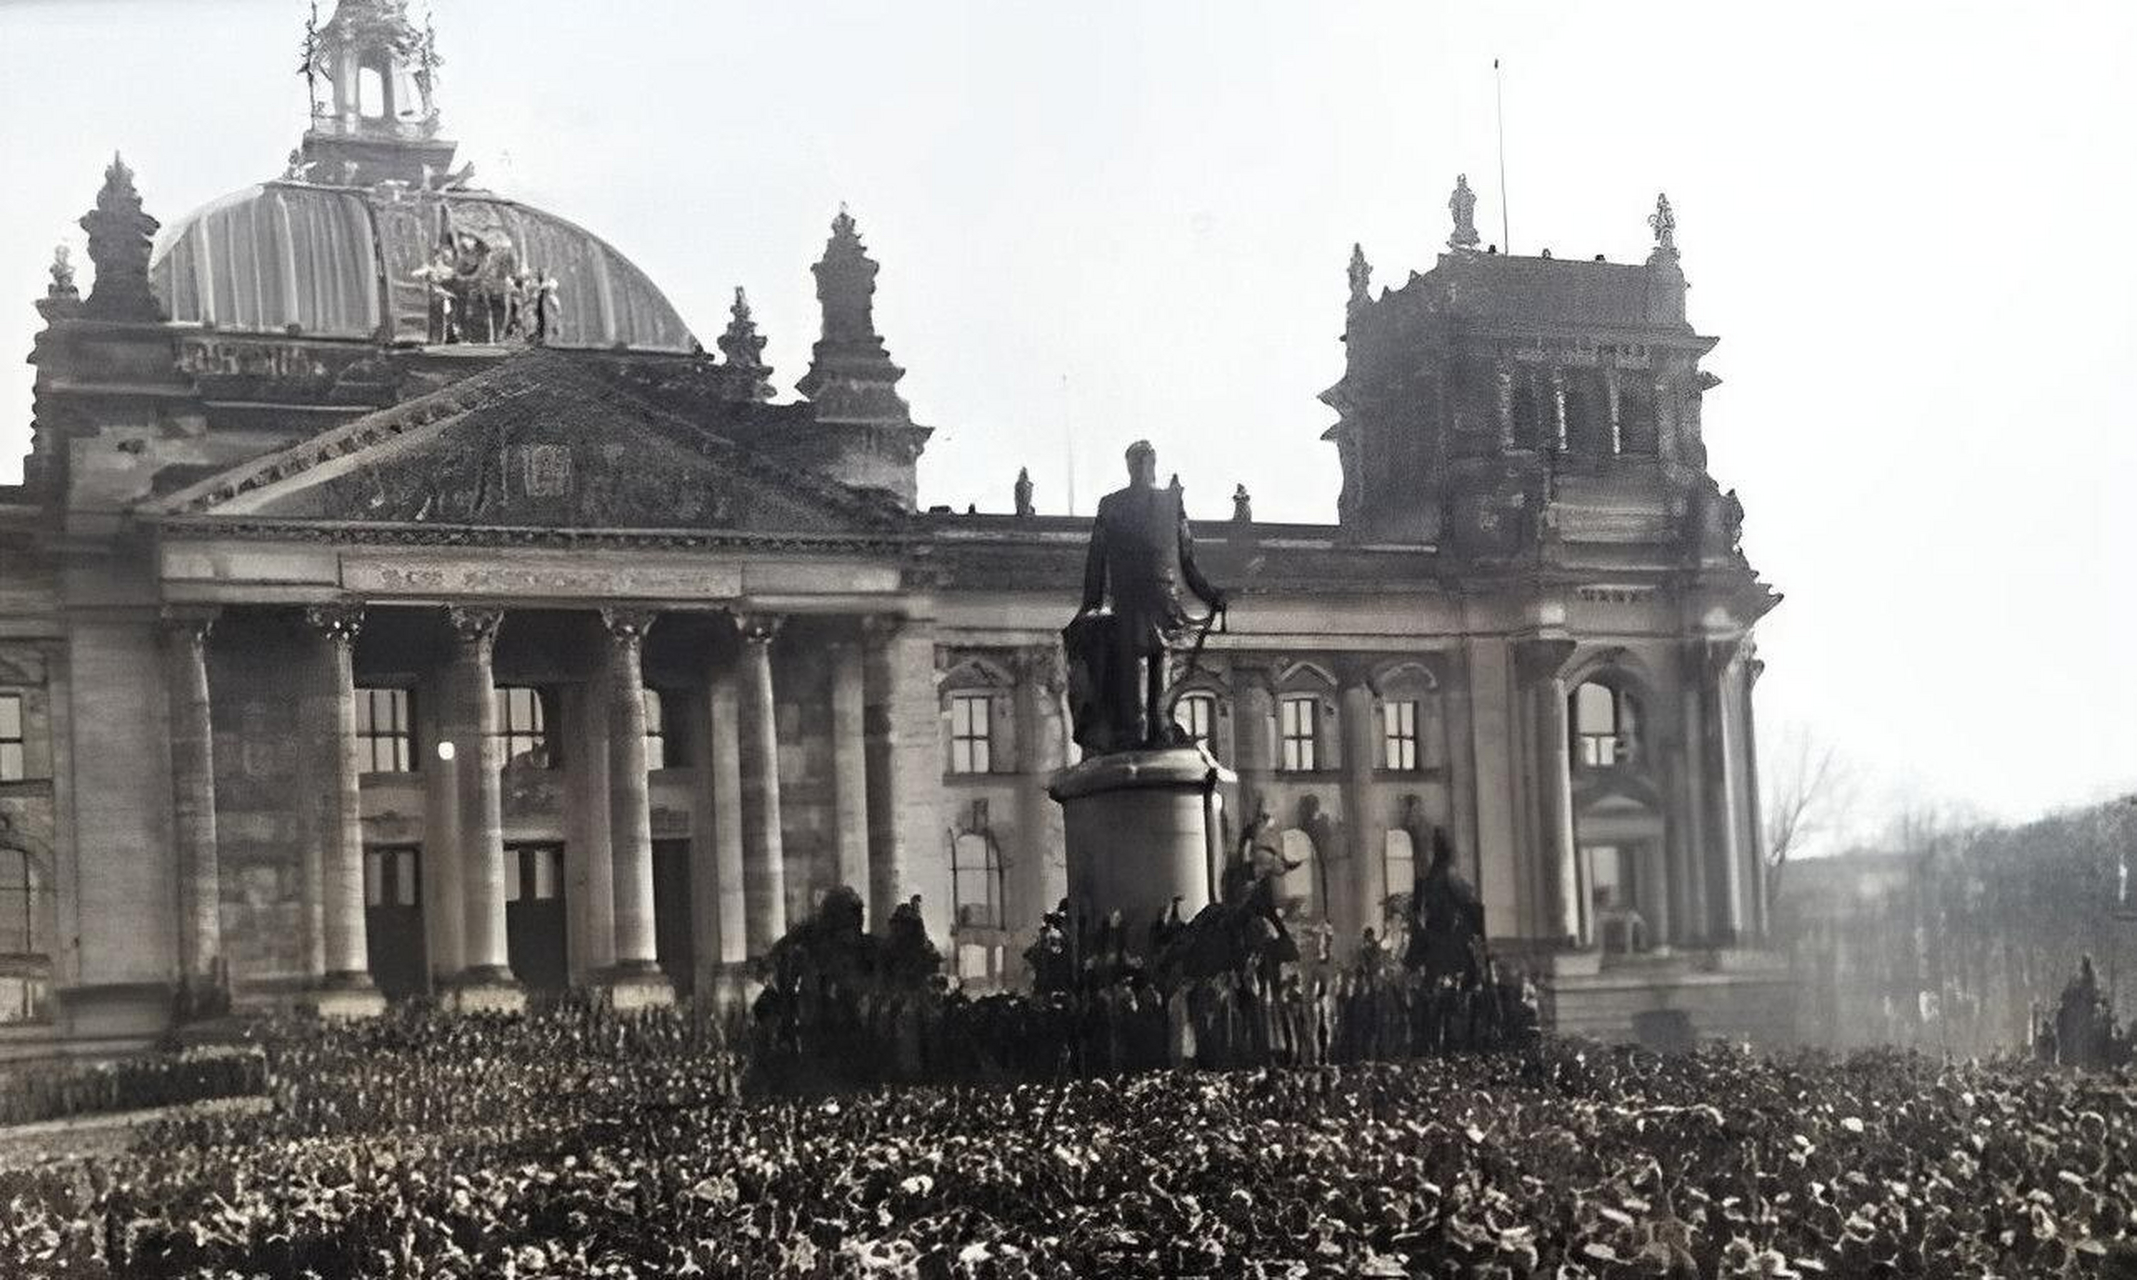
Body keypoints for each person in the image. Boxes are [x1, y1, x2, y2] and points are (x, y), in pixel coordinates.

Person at [1072, 440, 1224, 749]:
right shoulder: (1112, 504)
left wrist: (1210, 595)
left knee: (1157, 662)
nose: (1141, 467)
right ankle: (1141, 730)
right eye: (1137, 461)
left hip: (1160, 599)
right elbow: (1097, 562)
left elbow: (1185, 559)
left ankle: (1158, 727)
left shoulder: (1169, 502)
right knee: (1138, 663)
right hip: (1132, 598)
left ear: (1153, 463)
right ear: (1128, 466)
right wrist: (1092, 604)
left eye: (1145, 460)